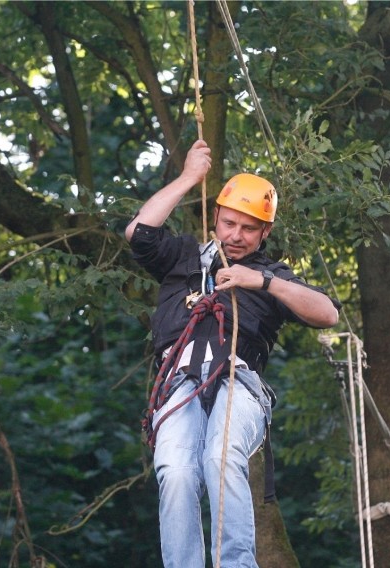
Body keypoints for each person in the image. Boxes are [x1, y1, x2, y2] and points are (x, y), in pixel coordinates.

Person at [125, 139, 340, 568]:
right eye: (228, 224)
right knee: (177, 471)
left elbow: (327, 313)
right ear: (216, 220)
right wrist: (189, 177)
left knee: (220, 457)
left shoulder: (271, 274)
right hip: (180, 384)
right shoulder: (182, 258)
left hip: (236, 383)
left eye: (248, 229)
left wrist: (260, 282)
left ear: (265, 233)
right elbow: (139, 234)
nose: (235, 236)